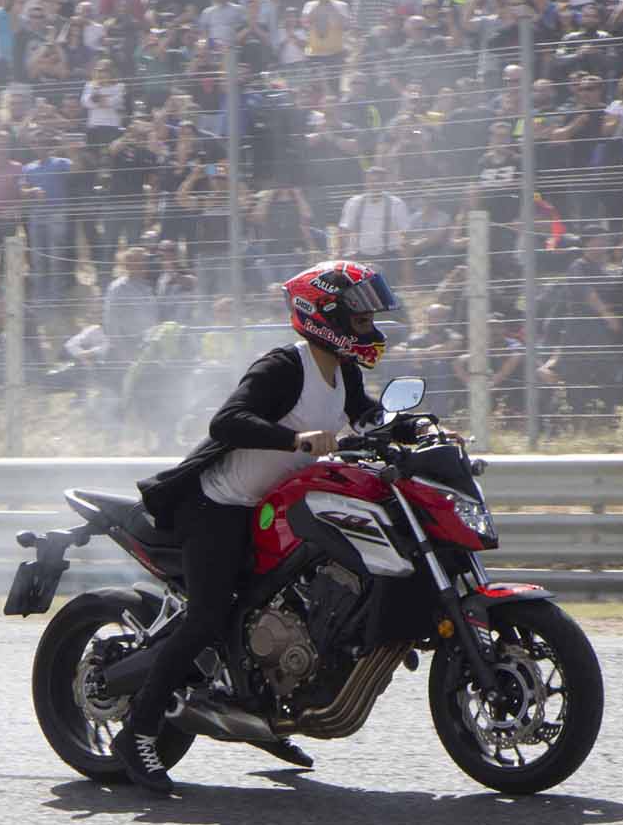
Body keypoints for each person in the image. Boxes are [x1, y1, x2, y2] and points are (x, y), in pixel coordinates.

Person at [116, 260, 417, 794]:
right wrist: (294, 440)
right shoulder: (284, 367)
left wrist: (418, 431)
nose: (371, 328)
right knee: (208, 617)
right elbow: (227, 421)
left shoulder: (343, 369)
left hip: (275, 507)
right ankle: (138, 732)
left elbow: (368, 416)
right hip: (220, 505)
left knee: (294, 605)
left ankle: (264, 709)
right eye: (362, 317)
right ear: (325, 317)